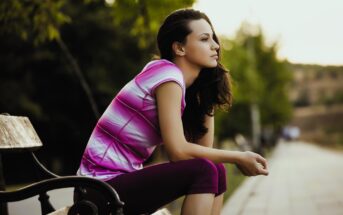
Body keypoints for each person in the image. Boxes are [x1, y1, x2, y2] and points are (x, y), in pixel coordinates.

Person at [75, 8, 269, 215]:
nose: (215, 46)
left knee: (216, 170)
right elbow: (178, 151)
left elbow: (204, 152)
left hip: (114, 186)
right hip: (98, 188)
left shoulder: (179, 83)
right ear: (179, 48)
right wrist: (238, 157)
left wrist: (207, 95)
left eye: (214, 38)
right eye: (204, 39)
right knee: (204, 171)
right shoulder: (167, 75)